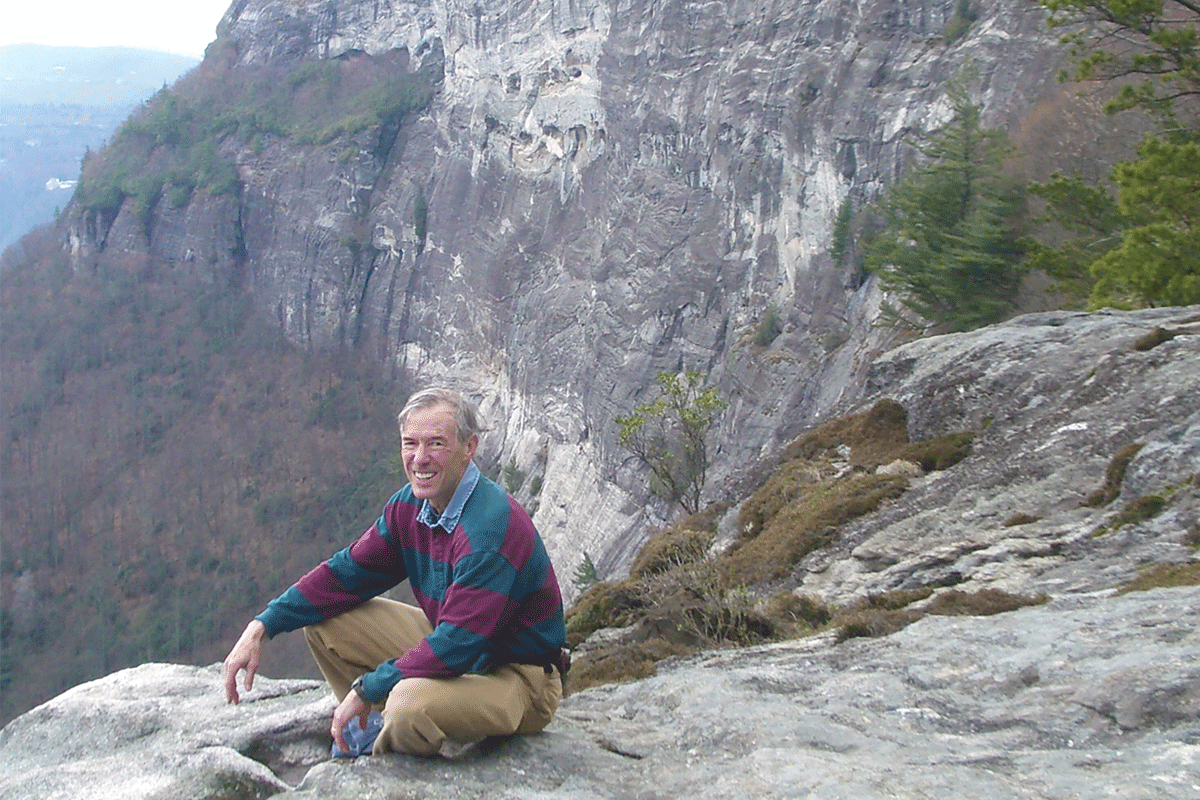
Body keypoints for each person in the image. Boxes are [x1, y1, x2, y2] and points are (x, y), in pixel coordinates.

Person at [222, 388, 567, 757]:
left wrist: (370, 687)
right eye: (410, 443)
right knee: (326, 621)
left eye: (436, 443)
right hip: (458, 643)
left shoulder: (489, 528)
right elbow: (346, 575)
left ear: (470, 447)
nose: (420, 459)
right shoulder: (410, 507)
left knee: (405, 705)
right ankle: (370, 725)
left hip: (518, 676)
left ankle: (389, 749)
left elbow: (457, 646)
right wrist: (262, 626)